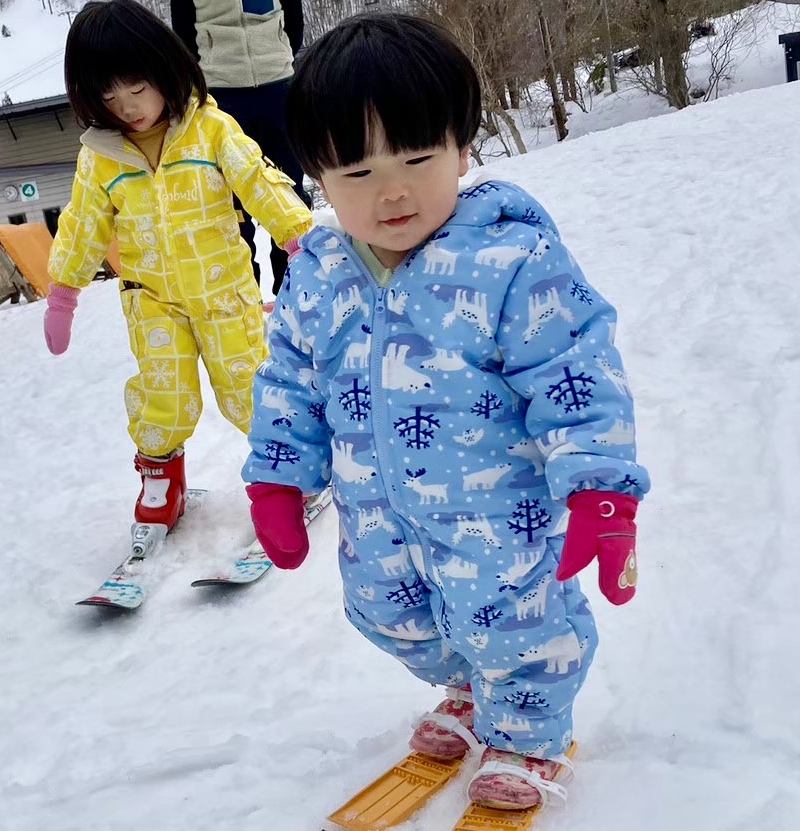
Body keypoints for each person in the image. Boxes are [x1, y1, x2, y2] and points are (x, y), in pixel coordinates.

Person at [240, 12, 651, 811]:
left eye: (417, 158)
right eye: (355, 173)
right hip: (378, 518)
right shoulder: (319, 273)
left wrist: (601, 489)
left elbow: (575, 373)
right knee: (389, 614)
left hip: (496, 516)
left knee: (513, 621)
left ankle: (528, 729)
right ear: (316, 179)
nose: (390, 190)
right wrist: (277, 480)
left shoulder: (509, 259)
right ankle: (466, 690)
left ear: (463, 150)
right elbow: (288, 379)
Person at [45, 0, 313, 530]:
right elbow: (83, 223)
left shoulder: (211, 129)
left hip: (223, 290)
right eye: (109, 96)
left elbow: (260, 180)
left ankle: (283, 472)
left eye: (137, 88)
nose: (128, 107)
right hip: (153, 298)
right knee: (164, 394)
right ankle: (161, 473)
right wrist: (64, 293)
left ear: (166, 68)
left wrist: (297, 238)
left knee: (246, 388)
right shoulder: (101, 157)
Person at [171, 0, 311, 296]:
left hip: (278, 86)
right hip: (222, 93)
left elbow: (294, 23)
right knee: (232, 202)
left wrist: (277, 54)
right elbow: (182, 34)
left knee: (289, 190)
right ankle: (244, 292)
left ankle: (295, 286)